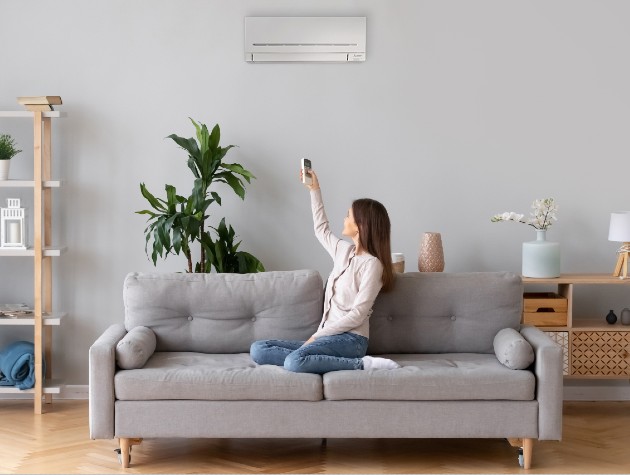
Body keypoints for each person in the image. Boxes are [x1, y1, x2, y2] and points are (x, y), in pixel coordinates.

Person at [250, 168, 400, 373]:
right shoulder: (343, 251)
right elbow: (321, 229)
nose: (345, 219)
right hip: (326, 337)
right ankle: (311, 358)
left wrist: (317, 337)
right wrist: (314, 190)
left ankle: (363, 364)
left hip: (351, 339)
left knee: (294, 362)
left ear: (360, 226)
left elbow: (357, 315)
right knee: (259, 349)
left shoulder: (372, 265)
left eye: (348, 216)